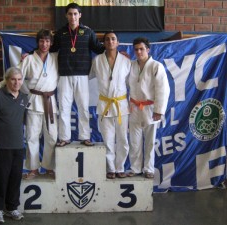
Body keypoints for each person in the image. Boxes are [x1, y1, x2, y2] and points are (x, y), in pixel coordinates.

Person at [0, 29, 59, 179]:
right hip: (34, 100)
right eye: (41, 41)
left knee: (52, 137)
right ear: (37, 43)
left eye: (47, 41)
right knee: (32, 136)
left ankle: (48, 167)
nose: (44, 44)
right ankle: (33, 168)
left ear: (51, 43)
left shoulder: (56, 57)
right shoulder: (28, 59)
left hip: (50, 102)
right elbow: (15, 74)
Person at [50, 2, 105, 147]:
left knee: (83, 107)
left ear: (80, 15)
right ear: (66, 15)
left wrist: (115, 50)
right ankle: (64, 137)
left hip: (82, 75)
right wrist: (31, 53)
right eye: (70, 14)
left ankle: (85, 136)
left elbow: (99, 49)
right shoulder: (60, 33)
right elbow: (50, 49)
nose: (73, 17)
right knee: (64, 108)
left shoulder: (88, 32)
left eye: (75, 14)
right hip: (64, 75)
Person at [0, 67, 27, 224]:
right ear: (6, 80)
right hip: (1, 147)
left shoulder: (24, 98)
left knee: (15, 179)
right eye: (13, 79)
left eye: (19, 79)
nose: (16, 82)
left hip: (18, 147)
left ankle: (12, 207)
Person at [89, 31, 131, 179]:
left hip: (121, 105)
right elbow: (86, 76)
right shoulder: (97, 60)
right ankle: (111, 168)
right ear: (104, 43)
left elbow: (132, 83)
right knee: (107, 139)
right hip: (105, 104)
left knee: (123, 140)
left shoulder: (126, 62)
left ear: (118, 42)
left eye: (113, 39)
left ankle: (120, 168)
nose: (110, 41)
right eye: (107, 39)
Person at [127, 37, 170, 179]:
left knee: (150, 141)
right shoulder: (131, 65)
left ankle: (149, 169)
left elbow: (163, 89)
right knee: (134, 140)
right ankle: (135, 167)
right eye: (136, 49)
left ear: (148, 49)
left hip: (150, 108)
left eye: (141, 49)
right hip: (134, 107)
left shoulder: (156, 66)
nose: (138, 52)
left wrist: (159, 110)